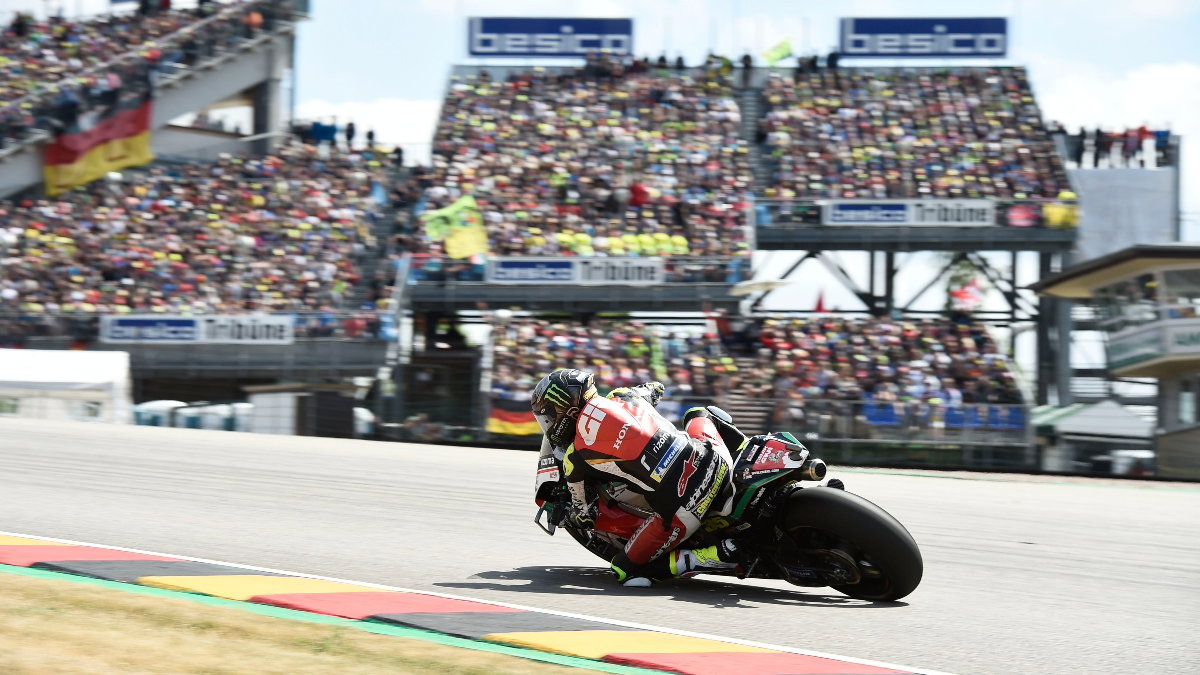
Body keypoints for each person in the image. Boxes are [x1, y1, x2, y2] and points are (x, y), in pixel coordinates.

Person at [530, 369, 744, 587]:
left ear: (567, 409)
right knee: (699, 414)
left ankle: (711, 557)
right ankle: (746, 453)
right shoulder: (623, 395)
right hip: (717, 459)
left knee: (624, 569)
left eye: (549, 416)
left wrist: (569, 515)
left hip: (688, 506)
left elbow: (584, 516)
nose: (548, 424)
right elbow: (656, 387)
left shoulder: (574, 457)